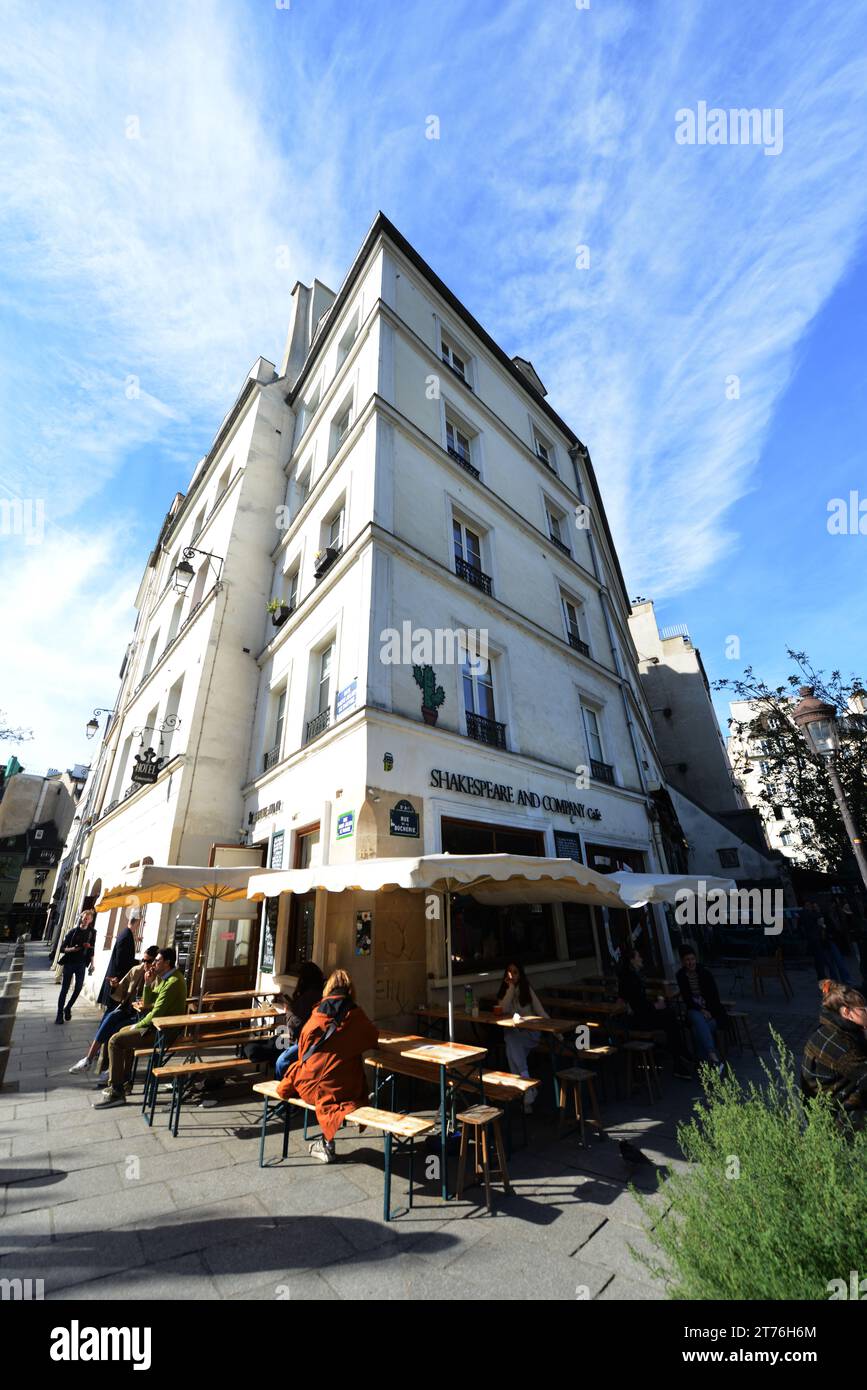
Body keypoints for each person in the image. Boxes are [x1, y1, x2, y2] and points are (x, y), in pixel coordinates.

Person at [276, 968, 378, 1163]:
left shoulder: (316, 1015)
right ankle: (326, 1143)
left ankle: (326, 1144)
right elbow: (372, 1037)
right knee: (352, 1067)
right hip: (344, 1088)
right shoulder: (355, 1015)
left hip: (309, 1086)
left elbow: (303, 1049)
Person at [92, 946, 187, 1109]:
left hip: (164, 1032)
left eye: (157, 960)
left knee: (116, 1040)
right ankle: (125, 1082)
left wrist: (137, 1025)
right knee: (122, 1033)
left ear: (167, 963)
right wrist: (148, 984)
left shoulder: (174, 982)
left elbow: (156, 1012)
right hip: (157, 1027)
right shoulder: (166, 978)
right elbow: (148, 1003)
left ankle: (116, 1090)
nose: (153, 964)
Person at [68, 944, 159, 1078]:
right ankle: (88, 1059)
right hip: (129, 1010)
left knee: (116, 1030)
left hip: (142, 1016)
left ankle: (112, 1070)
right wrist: (115, 985)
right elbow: (122, 990)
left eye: (149, 961)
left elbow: (152, 1003)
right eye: (143, 960)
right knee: (110, 1017)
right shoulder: (136, 970)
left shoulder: (159, 977)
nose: (145, 964)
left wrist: (147, 984)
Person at [616, 947, 692, 1080]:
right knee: (670, 1018)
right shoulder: (632, 979)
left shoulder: (629, 976)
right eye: (638, 956)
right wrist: (656, 1005)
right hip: (639, 1021)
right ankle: (679, 1056)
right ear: (632, 960)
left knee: (670, 1017)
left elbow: (631, 1000)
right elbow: (639, 1005)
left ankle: (679, 1055)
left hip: (637, 1018)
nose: (641, 959)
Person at [801, 979, 867, 1126]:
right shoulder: (841, 1046)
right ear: (846, 1012)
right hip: (834, 1118)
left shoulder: (830, 1028)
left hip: (826, 1102)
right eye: (865, 1010)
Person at [245, 961, 324, 1079]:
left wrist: (288, 1010)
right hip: (314, 1041)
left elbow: (294, 1030)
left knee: (280, 1061)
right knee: (272, 1044)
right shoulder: (320, 994)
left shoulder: (307, 997)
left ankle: (280, 1088)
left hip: (304, 1043)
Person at [493, 961, 547, 1110]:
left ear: (520, 974)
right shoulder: (505, 992)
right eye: (509, 972)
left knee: (511, 1046)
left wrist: (556, 1033)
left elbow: (540, 1011)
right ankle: (528, 1090)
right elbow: (503, 1009)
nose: (512, 975)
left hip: (531, 1032)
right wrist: (510, 988)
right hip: (515, 1033)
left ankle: (527, 1090)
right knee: (511, 1043)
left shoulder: (527, 990)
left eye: (515, 972)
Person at [676, 944, 728, 1075]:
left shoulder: (705, 973)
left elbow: (714, 996)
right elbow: (687, 999)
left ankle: (704, 1066)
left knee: (697, 1030)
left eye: (692, 959)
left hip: (713, 1012)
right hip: (695, 1010)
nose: (690, 962)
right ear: (682, 961)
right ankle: (714, 1058)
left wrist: (708, 1011)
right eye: (687, 960)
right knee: (695, 1017)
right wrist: (701, 1010)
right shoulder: (681, 975)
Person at [55, 909, 97, 1024]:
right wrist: (72, 949)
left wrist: (92, 964)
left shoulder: (92, 932)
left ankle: (67, 1007)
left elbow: (92, 949)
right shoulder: (73, 932)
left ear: (91, 920)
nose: (86, 920)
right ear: (81, 918)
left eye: (88, 919)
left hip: (81, 964)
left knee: (78, 988)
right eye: (84, 918)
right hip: (69, 963)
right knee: (64, 989)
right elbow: (62, 948)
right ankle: (59, 1014)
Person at [96, 909, 139, 1009]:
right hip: (117, 981)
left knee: (112, 1012)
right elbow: (121, 961)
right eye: (142, 922)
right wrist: (138, 963)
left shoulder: (126, 934)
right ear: (138, 921)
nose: (143, 924)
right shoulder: (126, 936)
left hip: (117, 980)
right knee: (112, 1011)